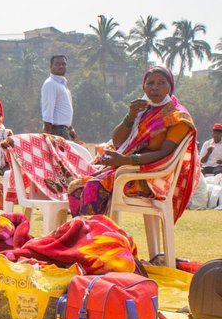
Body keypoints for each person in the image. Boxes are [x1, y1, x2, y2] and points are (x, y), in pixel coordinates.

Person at [68, 66, 198, 219]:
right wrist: (130, 116)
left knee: (94, 186)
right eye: (150, 83)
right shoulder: (143, 110)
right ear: (143, 87)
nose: (155, 87)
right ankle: (85, 234)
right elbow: (118, 142)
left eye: (162, 83)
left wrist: (126, 160)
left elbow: (164, 153)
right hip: (129, 169)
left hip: (152, 178)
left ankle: (95, 237)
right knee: (76, 186)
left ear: (170, 87)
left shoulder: (177, 117)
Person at [41, 55, 77, 140]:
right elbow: (47, 111)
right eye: (57, 64)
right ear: (51, 67)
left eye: (63, 64)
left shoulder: (63, 85)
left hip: (64, 131)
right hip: (56, 131)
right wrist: (48, 137)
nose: (61, 66)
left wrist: (70, 128)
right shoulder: (50, 84)